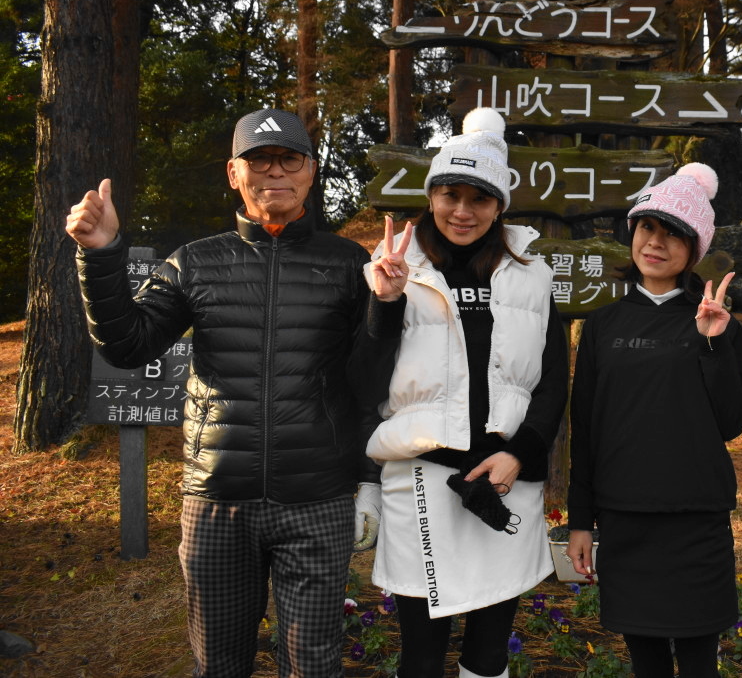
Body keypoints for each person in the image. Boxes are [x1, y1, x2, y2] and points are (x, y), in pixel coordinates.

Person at [66, 107, 380, 678]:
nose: (275, 172)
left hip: (318, 499)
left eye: (290, 159)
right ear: (234, 174)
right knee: (218, 664)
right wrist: (102, 253)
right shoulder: (194, 261)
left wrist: (369, 481)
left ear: (311, 171)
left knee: (313, 666)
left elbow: (368, 380)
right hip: (216, 500)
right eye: (258, 160)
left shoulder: (348, 263)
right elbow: (127, 346)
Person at [356, 107, 568, 678]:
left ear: (500, 205)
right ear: (431, 196)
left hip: (503, 479)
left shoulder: (531, 273)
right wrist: (385, 303)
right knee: (421, 652)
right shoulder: (394, 266)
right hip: (422, 478)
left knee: (490, 648)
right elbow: (364, 382)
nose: (463, 211)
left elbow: (552, 379)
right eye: (450, 194)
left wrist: (520, 452)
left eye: (480, 199)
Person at [566, 163, 742, 678]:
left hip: (696, 518)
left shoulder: (715, 321)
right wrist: (581, 521)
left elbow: (731, 421)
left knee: (698, 664)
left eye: (673, 233)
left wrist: (713, 344)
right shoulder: (603, 325)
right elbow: (586, 429)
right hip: (625, 518)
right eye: (647, 227)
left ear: (694, 250)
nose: (655, 242)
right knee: (646, 662)